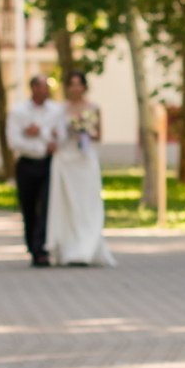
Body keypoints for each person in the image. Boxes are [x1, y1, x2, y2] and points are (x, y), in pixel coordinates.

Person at [46, 69, 116, 268]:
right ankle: (69, 247)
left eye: (79, 84)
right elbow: (54, 134)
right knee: (68, 204)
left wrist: (83, 129)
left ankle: (87, 246)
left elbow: (99, 135)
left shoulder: (93, 108)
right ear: (67, 87)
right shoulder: (60, 110)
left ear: (84, 86)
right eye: (72, 84)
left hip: (85, 160)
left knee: (87, 204)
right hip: (66, 161)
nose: (76, 88)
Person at [7, 73, 60, 267]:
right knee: (28, 207)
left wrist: (39, 134)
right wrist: (40, 145)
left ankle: (41, 249)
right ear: (33, 89)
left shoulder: (56, 111)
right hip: (26, 164)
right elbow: (15, 141)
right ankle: (32, 246)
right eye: (42, 87)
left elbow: (58, 137)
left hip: (48, 165)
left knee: (46, 205)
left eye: (47, 87)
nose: (46, 91)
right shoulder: (19, 112)